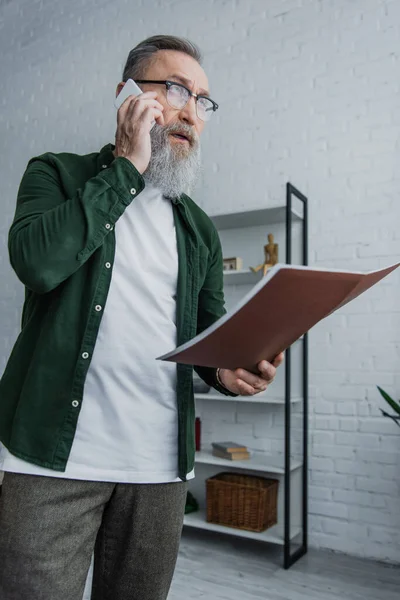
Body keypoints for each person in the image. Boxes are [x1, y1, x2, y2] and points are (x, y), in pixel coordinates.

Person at [0, 35, 284, 600]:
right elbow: (37, 264)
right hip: (51, 465)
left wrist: (225, 373)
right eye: (175, 89)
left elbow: (207, 333)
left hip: (158, 472)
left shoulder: (198, 228)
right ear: (126, 95)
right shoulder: (57, 174)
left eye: (202, 100)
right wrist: (129, 166)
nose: (190, 111)